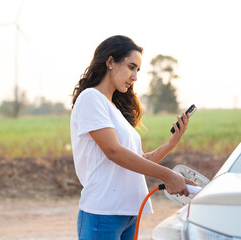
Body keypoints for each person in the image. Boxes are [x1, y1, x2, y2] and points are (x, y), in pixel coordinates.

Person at [70, 35, 195, 240]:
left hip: (128, 213)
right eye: (131, 67)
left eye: (137, 70)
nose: (135, 76)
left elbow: (135, 162)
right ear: (110, 62)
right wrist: (168, 175)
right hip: (103, 213)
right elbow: (114, 152)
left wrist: (170, 144)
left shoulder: (113, 109)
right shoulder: (90, 99)